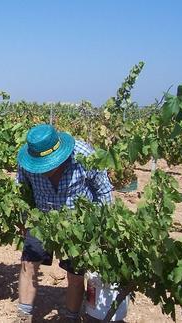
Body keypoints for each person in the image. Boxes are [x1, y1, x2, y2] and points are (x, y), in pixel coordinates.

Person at [15, 124, 112, 323]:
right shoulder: (26, 162)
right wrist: (24, 219)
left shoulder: (84, 155)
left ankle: (70, 318)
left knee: (75, 274)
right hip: (42, 217)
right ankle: (23, 316)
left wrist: (104, 227)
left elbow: (104, 191)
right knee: (28, 264)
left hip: (79, 221)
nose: (45, 170)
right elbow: (22, 191)